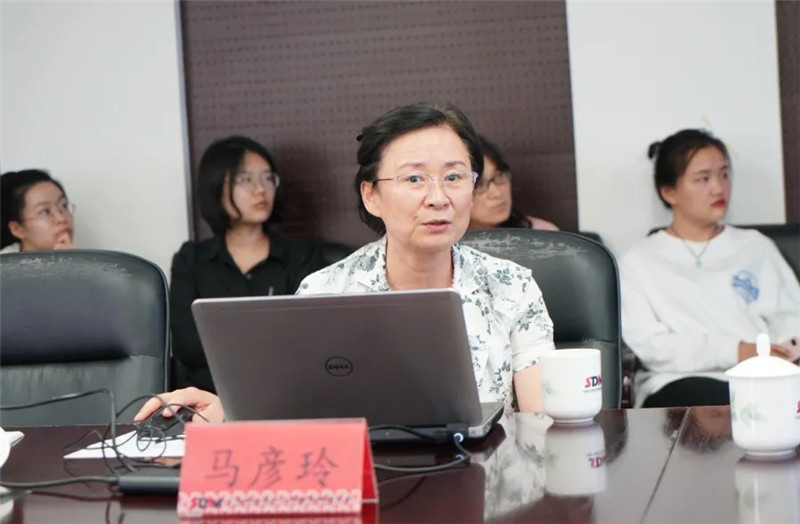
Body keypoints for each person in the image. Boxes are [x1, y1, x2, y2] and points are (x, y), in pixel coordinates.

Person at [136, 103, 555, 424]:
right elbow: (291, 411)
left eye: (454, 177)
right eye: (414, 178)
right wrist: (227, 412)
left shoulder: (513, 287)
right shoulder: (324, 293)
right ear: (371, 195)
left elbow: (542, 427)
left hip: (489, 488)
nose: (438, 197)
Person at [620, 129, 800, 408]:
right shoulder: (637, 261)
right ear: (669, 192)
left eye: (724, 175)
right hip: (682, 382)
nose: (718, 188)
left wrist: (786, 350)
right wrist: (737, 351)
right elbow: (652, 346)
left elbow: (791, 316)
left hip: (765, 376)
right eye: (703, 179)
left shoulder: (755, 246)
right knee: (727, 406)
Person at [169, 135, 329, 392]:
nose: (260, 189)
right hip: (208, 395)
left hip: (287, 392)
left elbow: (308, 337)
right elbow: (187, 346)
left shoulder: (302, 256)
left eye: (268, 178)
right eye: (245, 179)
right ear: (215, 187)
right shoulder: (192, 260)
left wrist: (226, 339)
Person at [468, 136, 558, 231]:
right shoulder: (456, 239)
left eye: (499, 176)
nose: (497, 193)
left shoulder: (542, 234)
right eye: (480, 184)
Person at [1, 169, 75, 253]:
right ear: (17, 229)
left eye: (64, 206)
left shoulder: (77, 257)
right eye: (45, 212)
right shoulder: (4, 260)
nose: (62, 219)